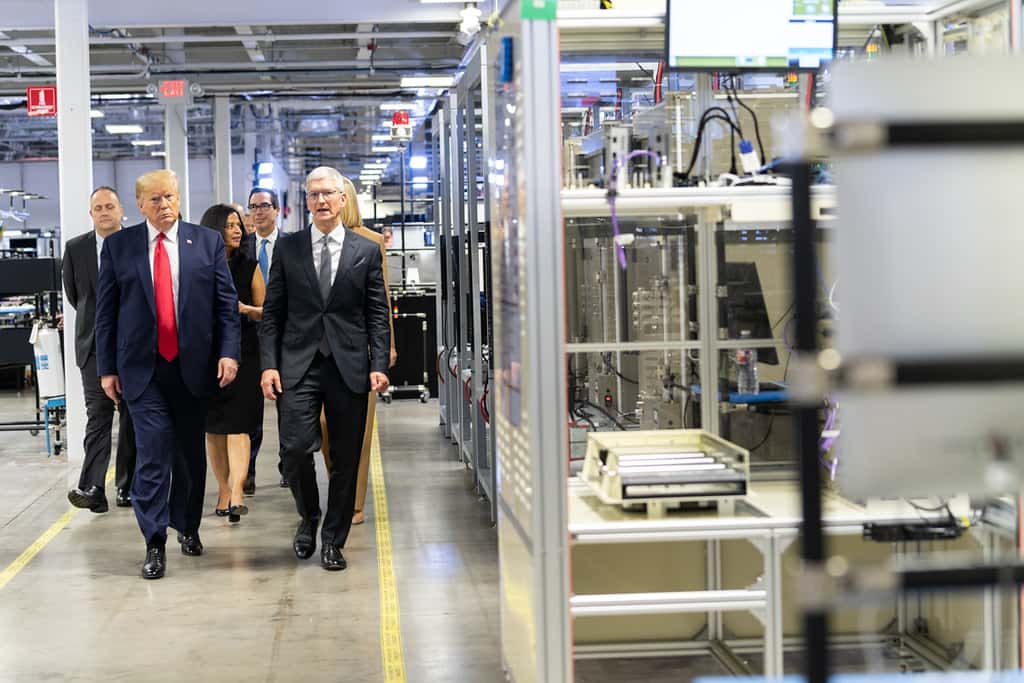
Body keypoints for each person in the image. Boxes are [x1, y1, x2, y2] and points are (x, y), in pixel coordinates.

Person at [95, 169, 240, 580]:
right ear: (140, 205)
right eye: (156, 200)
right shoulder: (120, 247)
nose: (165, 206)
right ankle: (154, 541)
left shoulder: (206, 242)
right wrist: (107, 368)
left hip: (193, 368)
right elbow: (106, 313)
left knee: (189, 458)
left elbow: (225, 306)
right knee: (153, 455)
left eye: (171, 197)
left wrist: (229, 354)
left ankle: (188, 526)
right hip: (143, 370)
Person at [259, 166, 390, 571]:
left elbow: (376, 313)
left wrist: (379, 362)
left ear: (342, 199)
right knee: (295, 449)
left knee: (346, 458)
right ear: (306, 202)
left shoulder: (365, 251)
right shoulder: (290, 247)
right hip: (298, 364)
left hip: (349, 366)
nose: (320, 201)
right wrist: (268, 365)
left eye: (327, 194)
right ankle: (309, 516)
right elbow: (273, 313)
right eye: (313, 195)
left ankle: (333, 539)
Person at [319, 176, 397, 526]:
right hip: (319, 351)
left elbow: (381, 299)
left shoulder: (371, 242)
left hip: (359, 350)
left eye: (334, 195)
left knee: (358, 432)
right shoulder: (312, 243)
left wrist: (387, 346)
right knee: (323, 427)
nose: (327, 201)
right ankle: (340, 484)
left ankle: (353, 500)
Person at [64, 186, 136, 513]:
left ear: (121, 211)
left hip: (134, 346)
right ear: (90, 214)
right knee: (98, 416)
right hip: (93, 347)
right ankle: (94, 486)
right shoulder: (76, 249)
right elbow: (75, 295)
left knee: (132, 417)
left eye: (110, 206)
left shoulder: (137, 243)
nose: (104, 212)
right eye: (98, 208)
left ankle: (128, 486)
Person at [199, 204, 264, 524]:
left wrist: (243, 309)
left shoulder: (249, 265)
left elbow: (267, 310)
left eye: (239, 225)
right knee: (214, 427)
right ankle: (222, 490)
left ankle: (237, 491)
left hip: (245, 351)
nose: (237, 230)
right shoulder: (198, 265)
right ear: (213, 229)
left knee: (239, 424)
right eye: (229, 225)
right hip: (206, 353)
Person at [241, 187, 284, 494]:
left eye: (264, 205)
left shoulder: (293, 246)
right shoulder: (241, 248)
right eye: (253, 206)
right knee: (250, 410)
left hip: (285, 337)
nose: (258, 211)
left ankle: (288, 466)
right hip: (250, 337)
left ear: (276, 210)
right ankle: (249, 471)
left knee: (289, 406)